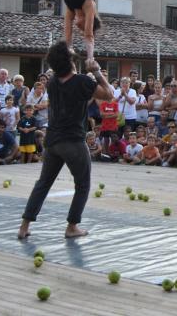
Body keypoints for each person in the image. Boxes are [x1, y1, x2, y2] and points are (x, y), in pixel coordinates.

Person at [18, 41, 113, 240]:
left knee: (43, 183)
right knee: (83, 184)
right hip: (73, 141)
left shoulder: (52, 82)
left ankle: (24, 226)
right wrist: (96, 72)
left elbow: (79, 99)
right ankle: (72, 226)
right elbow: (109, 95)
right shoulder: (82, 81)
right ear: (70, 61)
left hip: (52, 140)